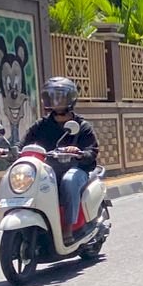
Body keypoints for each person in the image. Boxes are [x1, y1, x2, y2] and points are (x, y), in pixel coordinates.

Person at [21, 77, 99, 241]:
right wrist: (10, 150)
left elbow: (92, 151)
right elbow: (24, 143)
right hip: (49, 168)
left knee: (69, 181)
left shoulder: (82, 126)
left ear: (70, 99)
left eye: (60, 97)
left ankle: (68, 228)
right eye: (52, 97)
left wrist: (79, 152)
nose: (56, 101)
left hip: (77, 168)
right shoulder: (41, 125)